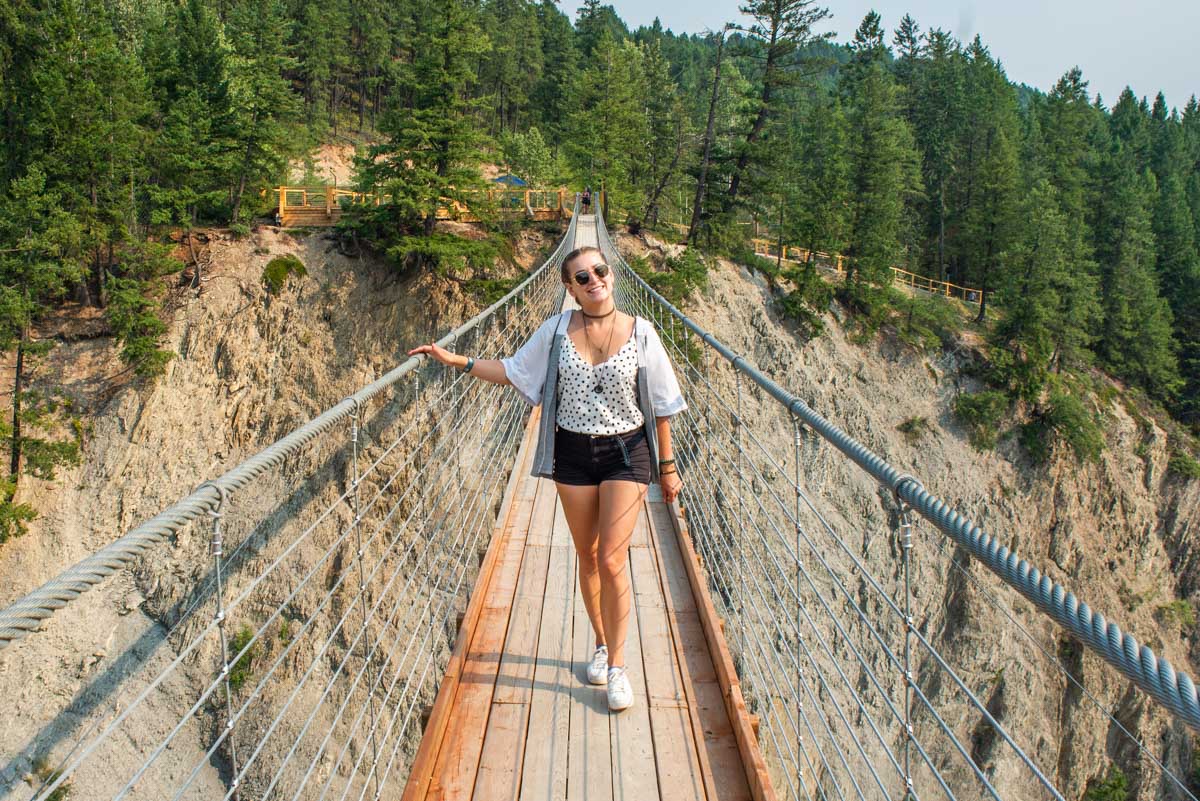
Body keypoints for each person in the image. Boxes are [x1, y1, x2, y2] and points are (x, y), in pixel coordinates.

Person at [407, 245, 686, 712]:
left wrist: (668, 465)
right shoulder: (556, 331)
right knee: (588, 554)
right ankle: (602, 643)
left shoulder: (642, 332)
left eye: (599, 270)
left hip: (627, 453)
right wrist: (457, 361)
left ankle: (618, 667)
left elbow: (662, 403)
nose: (594, 280)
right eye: (582, 277)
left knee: (612, 559)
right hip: (572, 454)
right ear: (570, 288)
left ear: (612, 274)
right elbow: (514, 371)